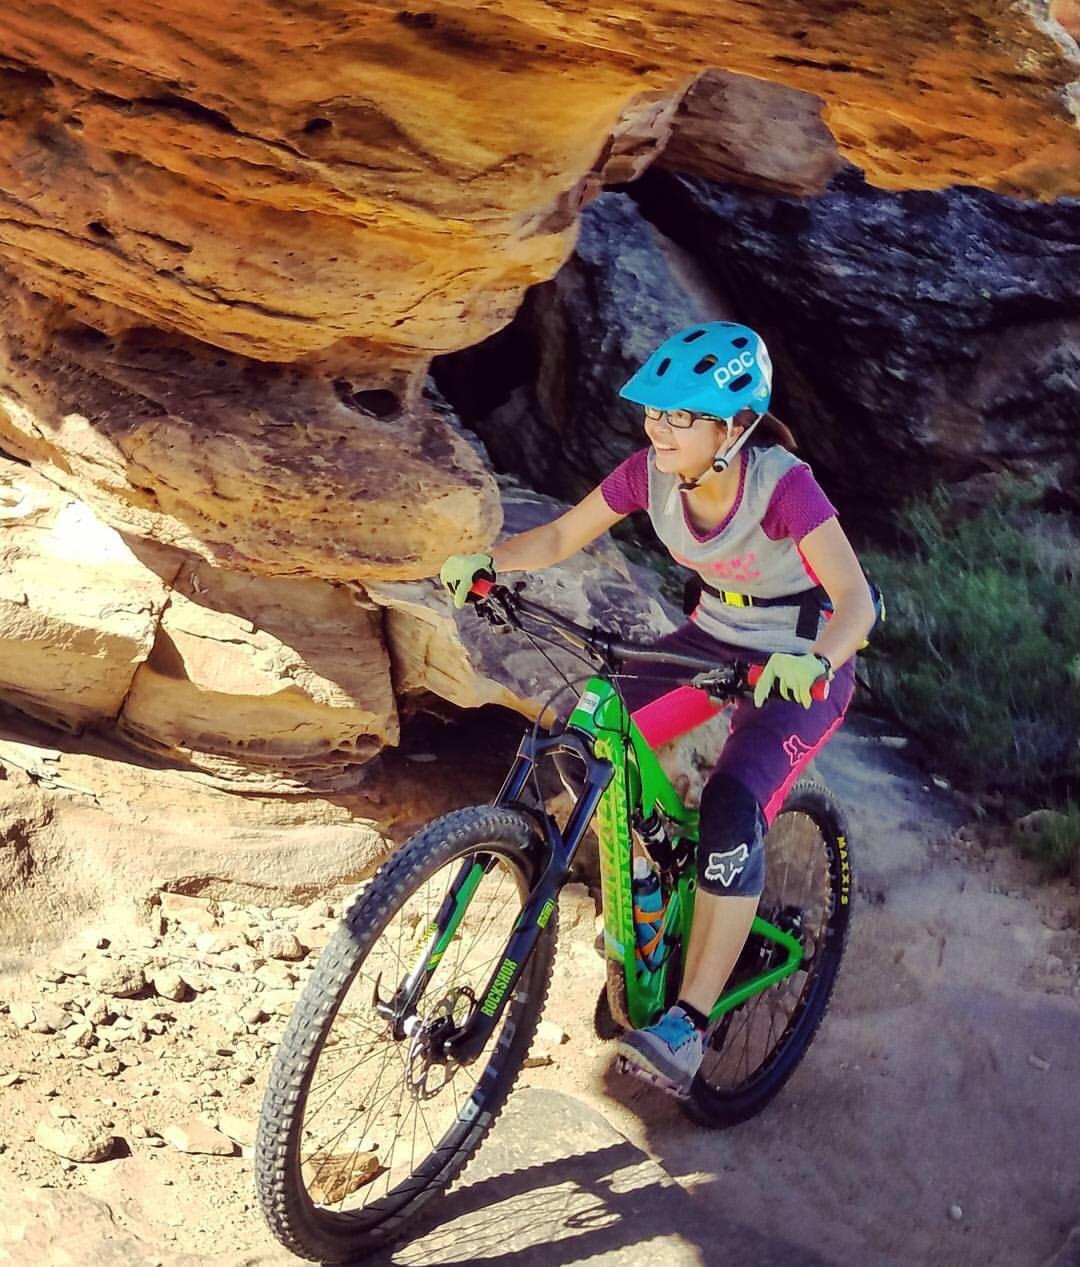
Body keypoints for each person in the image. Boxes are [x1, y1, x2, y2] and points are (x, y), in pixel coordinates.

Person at [439, 321, 876, 1099]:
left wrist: (812, 660)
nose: (660, 428)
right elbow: (565, 534)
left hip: (801, 660)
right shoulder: (650, 475)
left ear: (732, 428)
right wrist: (488, 561)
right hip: (711, 639)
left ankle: (689, 1020)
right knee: (583, 744)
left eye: (682, 416)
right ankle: (645, 886)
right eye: (656, 412)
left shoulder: (782, 485)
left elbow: (856, 603)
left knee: (733, 809)